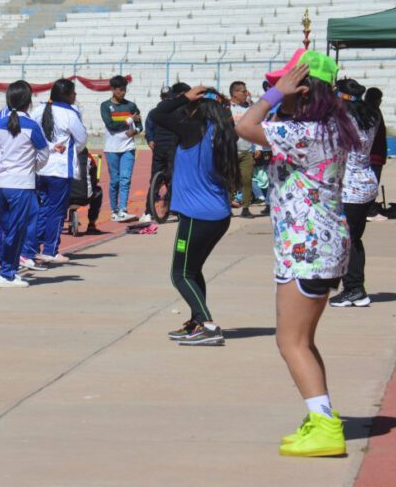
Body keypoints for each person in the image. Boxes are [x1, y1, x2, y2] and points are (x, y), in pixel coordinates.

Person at [235, 51, 358, 458]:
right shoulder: (326, 128)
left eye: (288, 82)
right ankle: (320, 416)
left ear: (303, 89)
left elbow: (244, 124)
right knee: (303, 340)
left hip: (306, 250)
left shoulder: (307, 132)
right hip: (318, 246)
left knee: (290, 342)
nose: (279, 88)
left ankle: (324, 427)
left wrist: (273, 94)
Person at [150, 87, 239, 346]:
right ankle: (197, 322)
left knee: (180, 274)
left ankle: (208, 325)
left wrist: (183, 98)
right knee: (193, 269)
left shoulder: (193, 128)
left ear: (197, 107)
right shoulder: (223, 133)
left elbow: (157, 114)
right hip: (218, 215)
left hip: (196, 216)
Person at [0, 81, 49, 288]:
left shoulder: (0, 122)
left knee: (5, 227)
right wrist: (33, 166)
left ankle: (7, 269)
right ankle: (6, 273)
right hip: (21, 184)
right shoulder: (31, 125)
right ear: (28, 101)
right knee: (16, 229)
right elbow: (44, 153)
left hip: (2, 183)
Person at [22, 78, 87, 264]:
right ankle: (50, 249)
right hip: (59, 169)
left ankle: (32, 248)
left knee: (41, 208)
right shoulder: (70, 114)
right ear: (66, 95)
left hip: (38, 167)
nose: (75, 96)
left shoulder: (38, 110)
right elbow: (81, 139)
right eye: (73, 93)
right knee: (56, 211)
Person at [329, 79, 381, 308]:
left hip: (349, 188)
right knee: (354, 239)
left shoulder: (342, 120)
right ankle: (354, 287)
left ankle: (354, 289)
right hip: (366, 182)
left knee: (346, 241)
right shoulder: (371, 116)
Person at [100, 76, 140, 222]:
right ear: (113, 89)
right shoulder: (105, 106)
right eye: (120, 90)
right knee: (115, 180)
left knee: (125, 179)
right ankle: (114, 210)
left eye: (124, 89)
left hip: (128, 147)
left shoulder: (131, 106)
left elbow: (140, 124)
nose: (123, 92)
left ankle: (123, 209)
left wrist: (135, 131)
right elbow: (111, 125)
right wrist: (129, 120)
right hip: (111, 149)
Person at [143, 84, 182, 222]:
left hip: (160, 147)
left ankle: (149, 211)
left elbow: (149, 127)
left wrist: (151, 139)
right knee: (171, 179)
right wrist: (150, 139)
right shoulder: (177, 111)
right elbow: (149, 128)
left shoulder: (156, 111)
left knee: (157, 178)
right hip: (169, 148)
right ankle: (170, 209)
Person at [229, 80, 256, 218]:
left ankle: (245, 208)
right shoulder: (226, 108)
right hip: (229, 152)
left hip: (246, 151)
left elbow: (256, 127)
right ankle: (226, 207)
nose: (246, 94)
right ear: (235, 93)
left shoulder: (249, 109)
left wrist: (258, 147)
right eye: (243, 91)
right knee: (229, 180)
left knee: (247, 179)